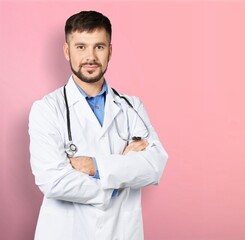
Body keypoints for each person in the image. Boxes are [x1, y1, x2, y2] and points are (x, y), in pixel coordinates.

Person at [28, 10, 168, 240]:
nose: (90, 56)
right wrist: (120, 179)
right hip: (66, 233)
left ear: (110, 51)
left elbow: (154, 165)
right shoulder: (46, 109)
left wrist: (94, 166)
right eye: (81, 47)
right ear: (67, 51)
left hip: (122, 232)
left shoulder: (131, 106)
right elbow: (53, 181)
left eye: (99, 47)